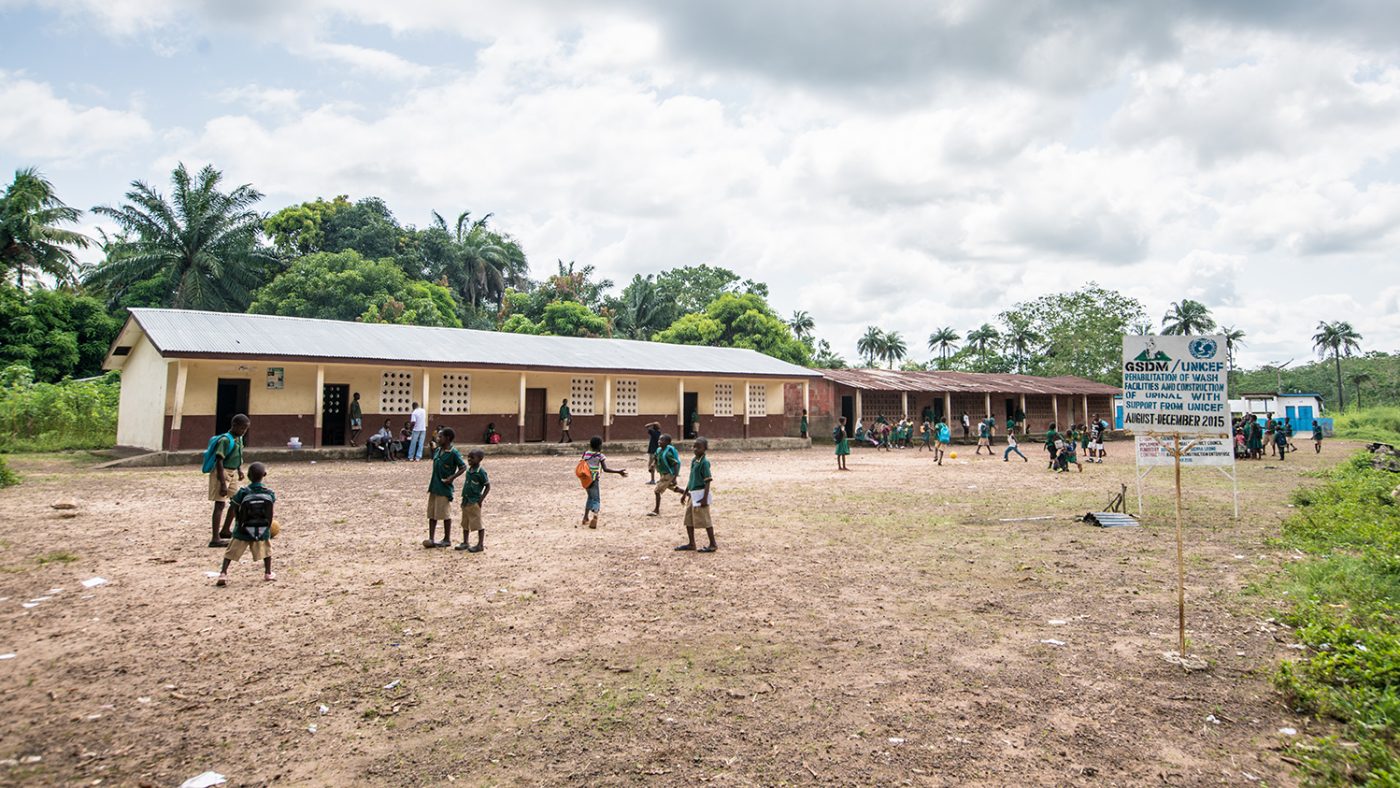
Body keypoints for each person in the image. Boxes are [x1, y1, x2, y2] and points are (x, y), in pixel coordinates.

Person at [214, 461, 276, 585]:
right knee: (267, 550)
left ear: (248, 476)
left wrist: (239, 521)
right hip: (261, 529)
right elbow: (270, 509)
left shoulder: (243, 492)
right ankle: (268, 573)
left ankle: (223, 573)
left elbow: (235, 506)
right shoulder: (269, 493)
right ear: (264, 474)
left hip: (242, 529)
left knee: (231, 551)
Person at [206, 414, 249, 548]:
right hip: (221, 472)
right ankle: (215, 538)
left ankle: (225, 530)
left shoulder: (239, 439)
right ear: (234, 425)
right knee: (219, 504)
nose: (244, 431)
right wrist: (223, 484)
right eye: (242, 428)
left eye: (246, 429)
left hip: (233, 472)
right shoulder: (225, 440)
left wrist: (239, 470)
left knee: (236, 501)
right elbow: (219, 461)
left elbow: (237, 456)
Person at [424, 427, 465, 548]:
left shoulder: (453, 453)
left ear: (447, 438)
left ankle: (447, 539)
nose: (438, 438)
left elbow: (463, 467)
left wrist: (451, 478)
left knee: (445, 514)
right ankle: (431, 538)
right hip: (434, 486)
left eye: (440, 437)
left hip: (444, 488)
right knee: (432, 514)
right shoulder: (438, 451)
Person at [676, 437, 717, 553]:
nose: (695, 449)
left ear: (705, 449)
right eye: (694, 446)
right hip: (692, 494)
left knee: (705, 520)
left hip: (700, 495)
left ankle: (713, 544)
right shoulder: (694, 460)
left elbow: (708, 481)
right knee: (688, 519)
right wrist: (685, 493)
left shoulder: (704, 462)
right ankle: (691, 543)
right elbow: (691, 478)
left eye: (698, 447)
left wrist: (704, 498)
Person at [580, 436, 626, 529]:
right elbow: (606, 469)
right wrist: (618, 471)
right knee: (596, 499)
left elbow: (582, 463)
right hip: (594, 480)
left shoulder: (585, 454)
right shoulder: (600, 456)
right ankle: (595, 516)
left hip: (585, 479)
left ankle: (585, 518)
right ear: (599, 446)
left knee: (590, 497)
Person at [454, 449, 490, 553]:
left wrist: (481, 499)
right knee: (465, 523)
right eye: (468, 457)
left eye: (472, 457)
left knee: (478, 523)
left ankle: (480, 544)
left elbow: (487, 486)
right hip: (466, 500)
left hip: (474, 501)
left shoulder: (481, 472)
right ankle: (465, 542)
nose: (469, 459)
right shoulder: (469, 471)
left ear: (480, 459)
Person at [650, 433, 683, 515]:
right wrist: (653, 465)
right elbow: (656, 458)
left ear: (667, 443)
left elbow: (675, 464)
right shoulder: (659, 450)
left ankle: (656, 510)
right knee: (673, 488)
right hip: (663, 474)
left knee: (657, 491)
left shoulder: (668, 454)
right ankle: (689, 495)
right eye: (659, 439)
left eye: (662, 440)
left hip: (668, 475)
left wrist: (675, 478)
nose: (659, 441)